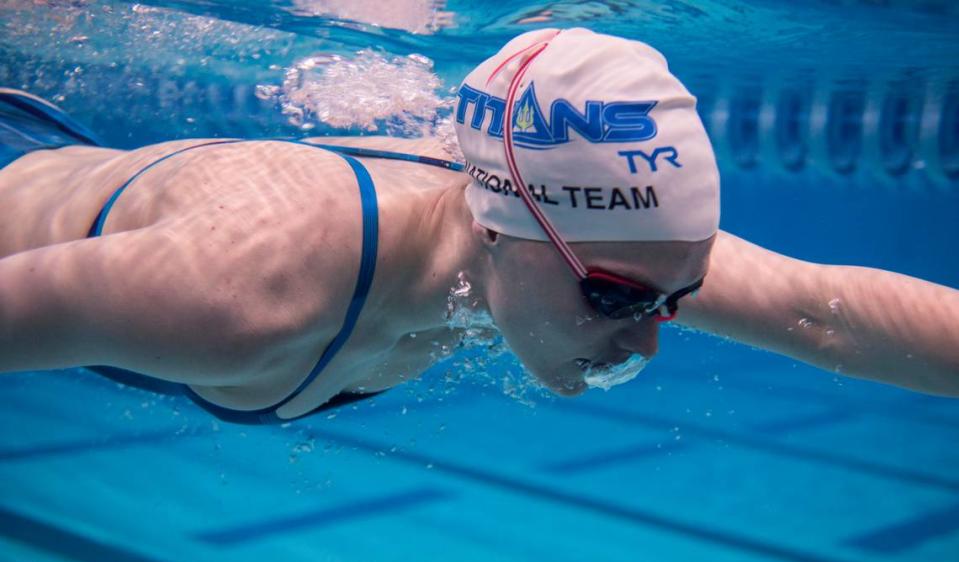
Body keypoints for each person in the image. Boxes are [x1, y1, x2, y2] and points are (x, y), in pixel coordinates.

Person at [0, 28, 956, 424]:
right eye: (616, 299)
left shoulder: (581, 244)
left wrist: (636, 287)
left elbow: (825, 314)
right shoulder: (240, 293)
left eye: (677, 299)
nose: (648, 343)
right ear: (499, 228)